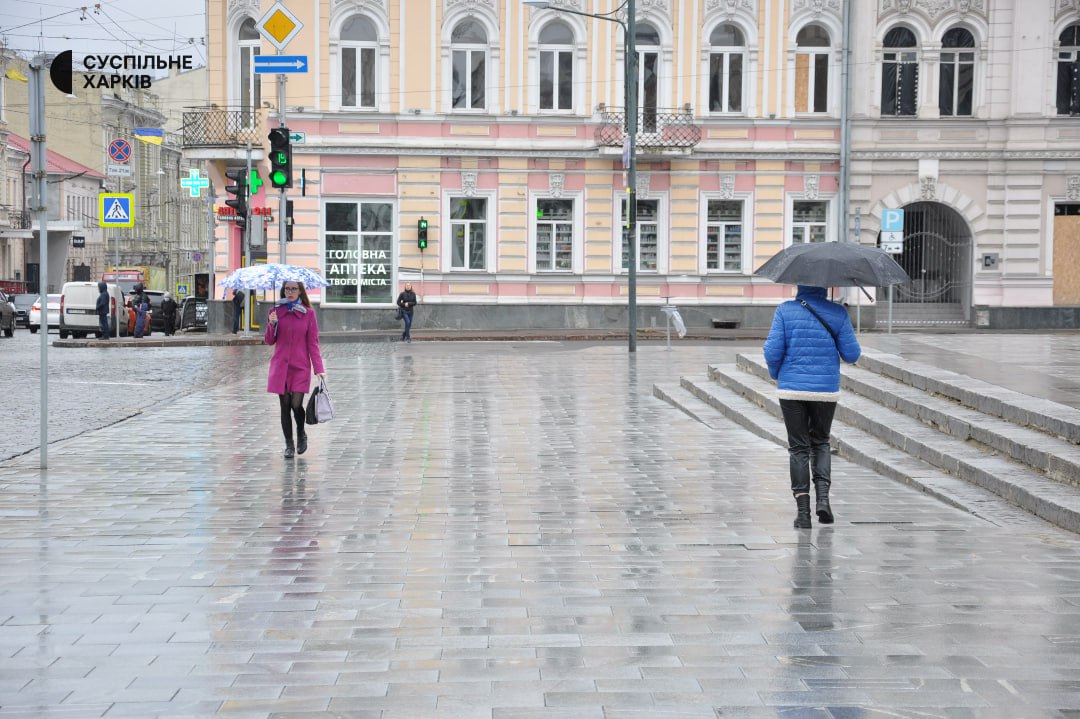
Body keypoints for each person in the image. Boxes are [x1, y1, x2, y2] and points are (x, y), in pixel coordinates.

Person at [763, 285, 861, 529]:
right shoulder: (838, 313)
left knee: (798, 448)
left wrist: (778, 375)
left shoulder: (785, 311)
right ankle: (824, 502)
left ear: (799, 285)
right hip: (825, 391)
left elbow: (772, 351)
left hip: (792, 390)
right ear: (824, 286)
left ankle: (803, 513)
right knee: (821, 442)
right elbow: (852, 355)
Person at [266, 281, 326, 459]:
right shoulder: (275, 312)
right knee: (284, 406)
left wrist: (319, 369)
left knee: (296, 404)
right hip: (280, 366)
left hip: (300, 366)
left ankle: (301, 433)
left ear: (300, 291)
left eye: (293, 288)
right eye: (287, 289)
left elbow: (313, 343)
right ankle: (289, 445)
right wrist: (272, 325)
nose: (290, 292)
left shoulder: (309, 314)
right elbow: (269, 340)